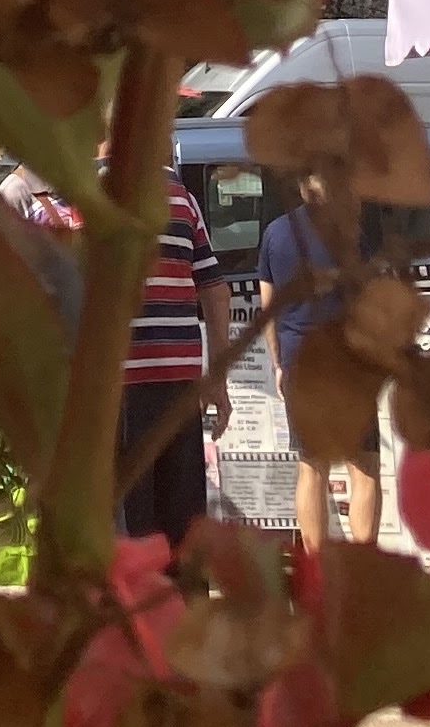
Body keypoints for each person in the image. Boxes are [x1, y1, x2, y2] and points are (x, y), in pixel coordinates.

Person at [257, 191, 382, 553]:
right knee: (363, 464)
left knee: (311, 467)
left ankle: (316, 567)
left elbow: (268, 308)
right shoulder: (353, 232)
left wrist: (279, 364)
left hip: (299, 361)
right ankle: (362, 565)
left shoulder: (275, 233)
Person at [117, 171, 230, 548]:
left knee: (130, 529)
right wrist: (217, 378)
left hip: (121, 386)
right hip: (181, 385)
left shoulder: (100, 192)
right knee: (182, 526)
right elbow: (216, 291)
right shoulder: (183, 198)